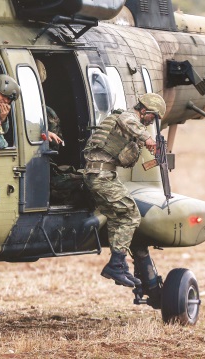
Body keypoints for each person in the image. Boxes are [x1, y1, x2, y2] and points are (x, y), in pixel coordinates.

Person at [82, 93, 164, 287]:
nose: (152, 121)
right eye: (153, 116)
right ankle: (116, 265)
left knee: (118, 216)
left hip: (104, 175)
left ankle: (118, 265)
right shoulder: (128, 117)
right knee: (131, 213)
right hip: (101, 176)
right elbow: (126, 120)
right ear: (144, 110)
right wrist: (147, 138)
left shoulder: (131, 128)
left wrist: (145, 145)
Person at [0, 74, 20, 149]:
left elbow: (3, 131)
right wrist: (5, 144)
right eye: (3, 95)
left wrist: (2, 119)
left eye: (8, 98)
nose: (5, 100)